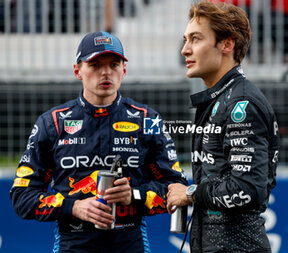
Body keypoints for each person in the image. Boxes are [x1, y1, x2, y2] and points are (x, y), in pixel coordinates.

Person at [10, 31, 187, 253]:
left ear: (124, 70)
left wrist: (134, 195)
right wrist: (73, 207)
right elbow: (22, 197)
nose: (105, 72)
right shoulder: (52, 123)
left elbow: (177, 188)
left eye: (114, 64)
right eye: (95, 64)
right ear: (77, 71)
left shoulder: (147, 120)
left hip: (130, 244)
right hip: (72, 244)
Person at [167, 0, 279, 253]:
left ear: (227, 44)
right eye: (185, 40)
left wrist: (191, 193)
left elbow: (248, 188)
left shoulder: (241, 103)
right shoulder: (221, 98)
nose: (185, 50)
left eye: (195, 39)